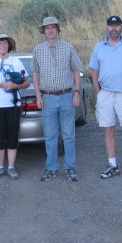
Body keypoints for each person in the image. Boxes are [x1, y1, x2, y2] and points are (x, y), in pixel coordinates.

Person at [88, 16, 122, 179]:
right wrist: (99, 92)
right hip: (105, 93)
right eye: (111, 26)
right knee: (109, 129)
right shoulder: (99, 47)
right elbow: (94, 72)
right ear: (106, 28)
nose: (114, 28)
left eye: (116, 26)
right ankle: (112, 165)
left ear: (121, 28)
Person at [32, 17, 83, 182]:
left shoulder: (68, 48)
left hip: (67, 96)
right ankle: (52, 168)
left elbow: (77, 70)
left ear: (58, 29)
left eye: (53, 27)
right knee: (50, 136)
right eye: (47, 28)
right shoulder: (38, 50)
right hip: (47, 98)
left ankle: (70, 167)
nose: (50, 31)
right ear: (44, 31)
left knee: (69, 135)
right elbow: (35, 73)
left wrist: (77, 92)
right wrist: (38, 95)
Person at [0, 34, 30, 179]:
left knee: (12, 136)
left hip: (13, 105)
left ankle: (11, 167)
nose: (2, 46)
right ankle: (0, 167)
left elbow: (26, 83)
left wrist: (16, 85)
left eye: (4, 43)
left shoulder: (16, 62)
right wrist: (1, 85)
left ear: (8, 45)